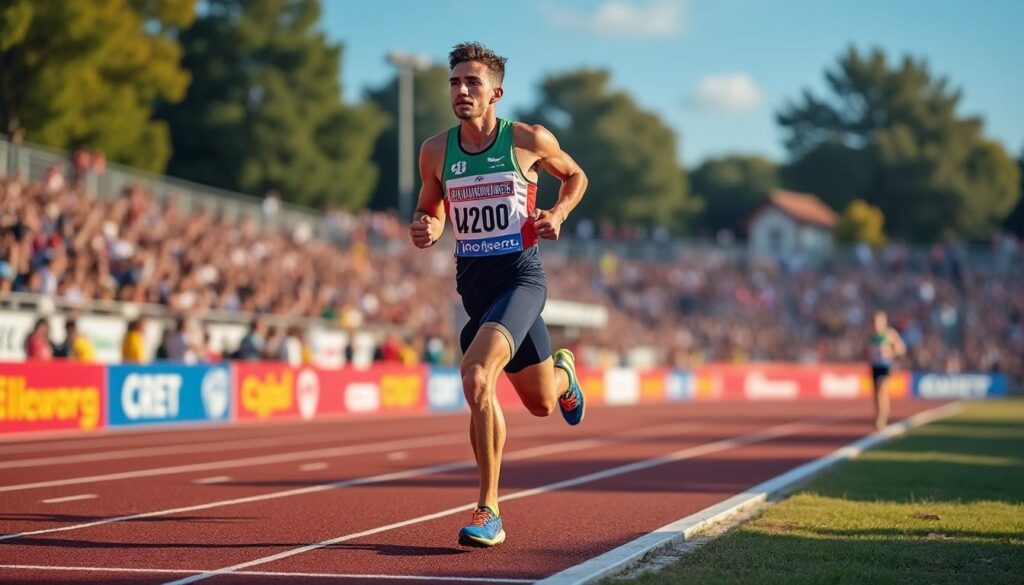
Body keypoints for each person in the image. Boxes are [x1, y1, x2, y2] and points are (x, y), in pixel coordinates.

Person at [410, 42, 588, 548]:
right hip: (475, 288)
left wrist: (556, 215)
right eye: (455, 82)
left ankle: (488, 510)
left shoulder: (528, 139)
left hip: (521, 279)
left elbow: (576, 176)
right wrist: (427, 226)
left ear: (495, 93)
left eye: (472, 83)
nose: (462, 90)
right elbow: (432, 209)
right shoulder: (434, 151)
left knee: (476, 376)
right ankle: (564, 373)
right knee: (541, 404)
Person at [868, 310, 906, 430]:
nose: (876, 324)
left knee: (882, 389)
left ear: (883, 322)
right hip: (874, 367)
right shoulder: (870, 335)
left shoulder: (890, 334)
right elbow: (866, 350)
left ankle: (881, 418)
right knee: (876, 393)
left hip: (885, 366)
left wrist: (891, 352)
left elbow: (901, 349)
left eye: (878, 322)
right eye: (874, 322)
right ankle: (879, 414)